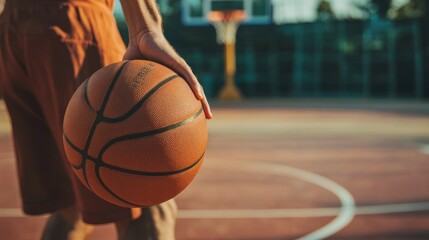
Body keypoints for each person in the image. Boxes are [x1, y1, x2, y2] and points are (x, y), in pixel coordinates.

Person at [0, 0, 212, 239]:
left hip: (11, 29)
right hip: (73, 24)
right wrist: (145, 28)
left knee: (70, 209)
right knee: (146, 203)